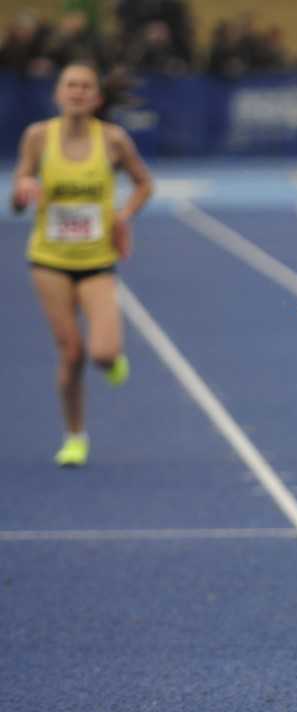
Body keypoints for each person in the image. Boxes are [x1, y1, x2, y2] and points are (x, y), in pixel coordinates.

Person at [11, 61, 153, 467]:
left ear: (96, 97)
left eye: (84, 86)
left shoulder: (112, 140)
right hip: (49, 260)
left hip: (96, 259)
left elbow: (145, 183)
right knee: (71, 353)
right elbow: (17, 200)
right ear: (58, 94)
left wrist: (123, 215)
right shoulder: (38, 138)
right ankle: (75, 436)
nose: (76, 92)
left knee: (103, 354)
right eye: (69, 85)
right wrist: (22, 193)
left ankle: (111, 361)